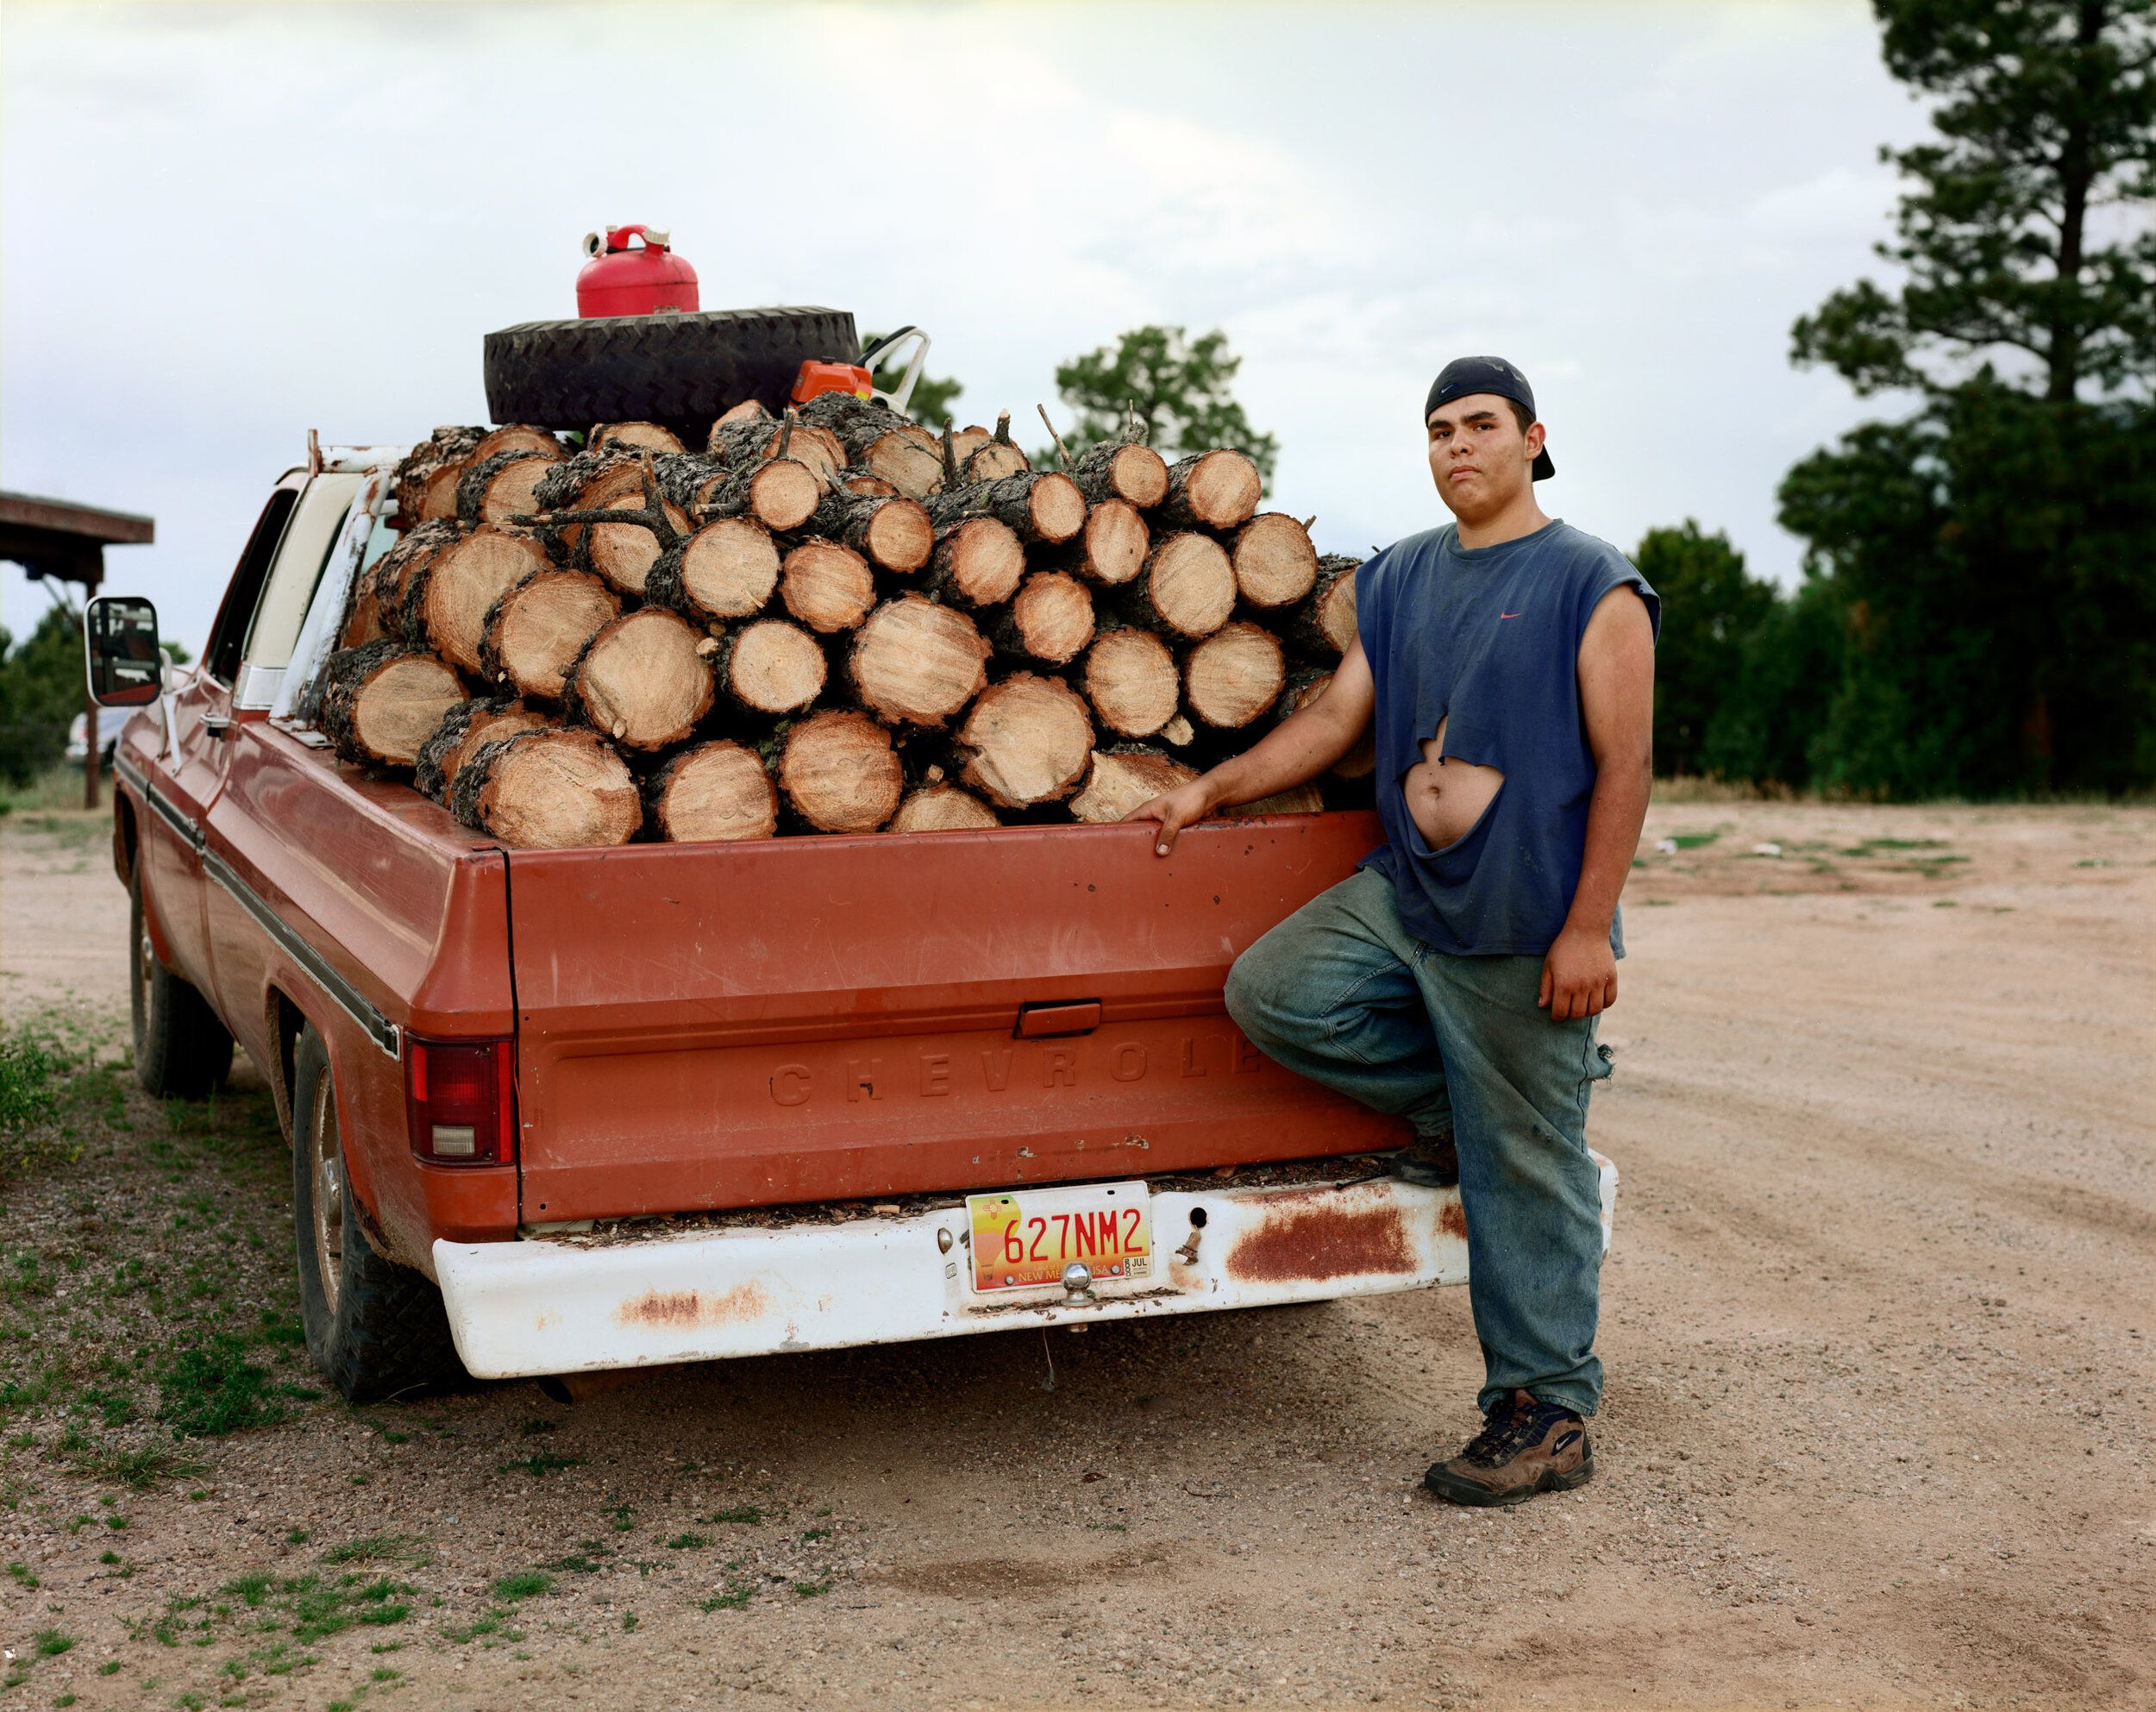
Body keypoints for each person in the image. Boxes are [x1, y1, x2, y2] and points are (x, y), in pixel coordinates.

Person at [1125, 356, 1658, 1507]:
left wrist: (1586, 930)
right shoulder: (1404, 577)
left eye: (1480, 425)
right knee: (1274, 990)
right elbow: (1335, 717)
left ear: (1532, 438)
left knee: (1530, 1170)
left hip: (1525, 923)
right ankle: (1451, 1105)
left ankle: (1548, 1408)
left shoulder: (1591, 583)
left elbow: (1628, 765)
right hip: (1411, 896)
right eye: (1439, 430)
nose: (1458, 446)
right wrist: (1211, 791)